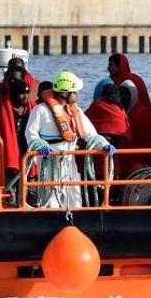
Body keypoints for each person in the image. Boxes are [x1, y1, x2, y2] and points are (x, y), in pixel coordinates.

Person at [25, 71, 112, 208]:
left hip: (70, 160)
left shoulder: (75, 111)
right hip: (49, 161)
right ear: (65, 93)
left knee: (74, 195)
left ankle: (74, 218)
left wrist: (103, 145)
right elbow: (30, 133)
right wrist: (40, 145)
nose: (78, 94)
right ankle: (52, 218)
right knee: (51, 197)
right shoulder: (40, 111)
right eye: (75, 92)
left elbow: (89, 133)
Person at [0, 77, 35, 182]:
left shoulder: (34, 108)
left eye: (27, 93)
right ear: (14, 94)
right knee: (10, 191)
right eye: (22, 93)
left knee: (32, 192)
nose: (26, 96)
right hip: (9, 157)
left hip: (29, 153)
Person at [85, 84, 132, 176]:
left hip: (99, 146)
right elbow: (125, 127)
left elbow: (86, 122)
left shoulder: (96, 105)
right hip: (118, 144)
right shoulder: (120, 108)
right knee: (114, 167)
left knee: (99, 169)